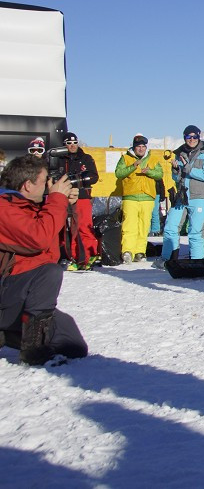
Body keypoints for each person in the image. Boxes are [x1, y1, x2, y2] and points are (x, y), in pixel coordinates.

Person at [0, 155, 88, 365]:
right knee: (48, 272)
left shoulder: (29, 205)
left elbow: (59, 248)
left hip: (19, 294)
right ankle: (34, 350)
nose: (50, 185)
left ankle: (8, 333)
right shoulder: (4, 207)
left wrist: (65, 206)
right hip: (7, 290)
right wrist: (56, 200)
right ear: (28, 185)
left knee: (73, 346)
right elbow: (37, 239)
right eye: (45, 180)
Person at [160, 125, 204, 264]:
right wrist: (175, 171)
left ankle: (197, 261)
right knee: (170, 227)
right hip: (182, 196)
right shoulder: (180, 154)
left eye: (194, 137)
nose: (191, 139)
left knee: (195, 231)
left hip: (199, 197)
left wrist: (188, 168)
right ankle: (168, 259)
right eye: (188, 137)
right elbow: (178, 178)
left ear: (198, 137)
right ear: (184, 138)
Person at [53, 132, 100, 266]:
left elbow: (93, 177)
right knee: (66, 228)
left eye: (75, 142)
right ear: (64, 144)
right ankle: (71, 255)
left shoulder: (85, 158)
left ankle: (89, 255)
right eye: (69, 143)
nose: (72, 146)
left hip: (82, 197)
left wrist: (75, 181)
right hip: (63, 196)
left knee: (84, 226)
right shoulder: (59, 159)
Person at [114, 134, 163, 263]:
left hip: (147, 197)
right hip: (130, 196)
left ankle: (140, 252)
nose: (141, 149)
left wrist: (149, 172)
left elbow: (159, 174)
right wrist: (133, 167)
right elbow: (118, 173)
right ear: (134, 147)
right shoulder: (125, 158)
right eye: (138, 147)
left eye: (143, 146)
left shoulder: (153, 159)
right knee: (129, 225)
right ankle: (127, 251)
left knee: (144, 226)